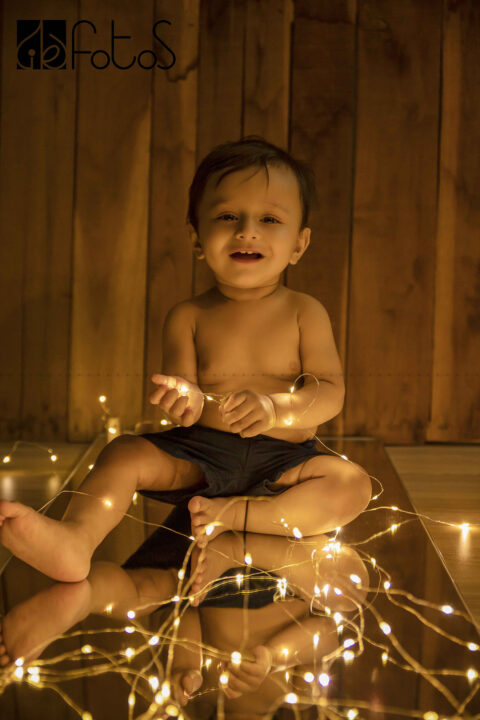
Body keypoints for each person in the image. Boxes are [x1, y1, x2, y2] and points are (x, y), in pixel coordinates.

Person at [0, 135, 372, 588]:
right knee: (123, 452)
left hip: (285, 461)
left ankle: (240, 517)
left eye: (269, 219)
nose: (246, 230)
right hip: (202, 455)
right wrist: (184, 401)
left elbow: (329, 392)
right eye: (227, 216)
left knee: (352, 484)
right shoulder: (188, 316)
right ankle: (76, 541)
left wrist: (279, 408)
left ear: (299, 244)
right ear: (197, 238)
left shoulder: (304, 312)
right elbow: (187, 396)